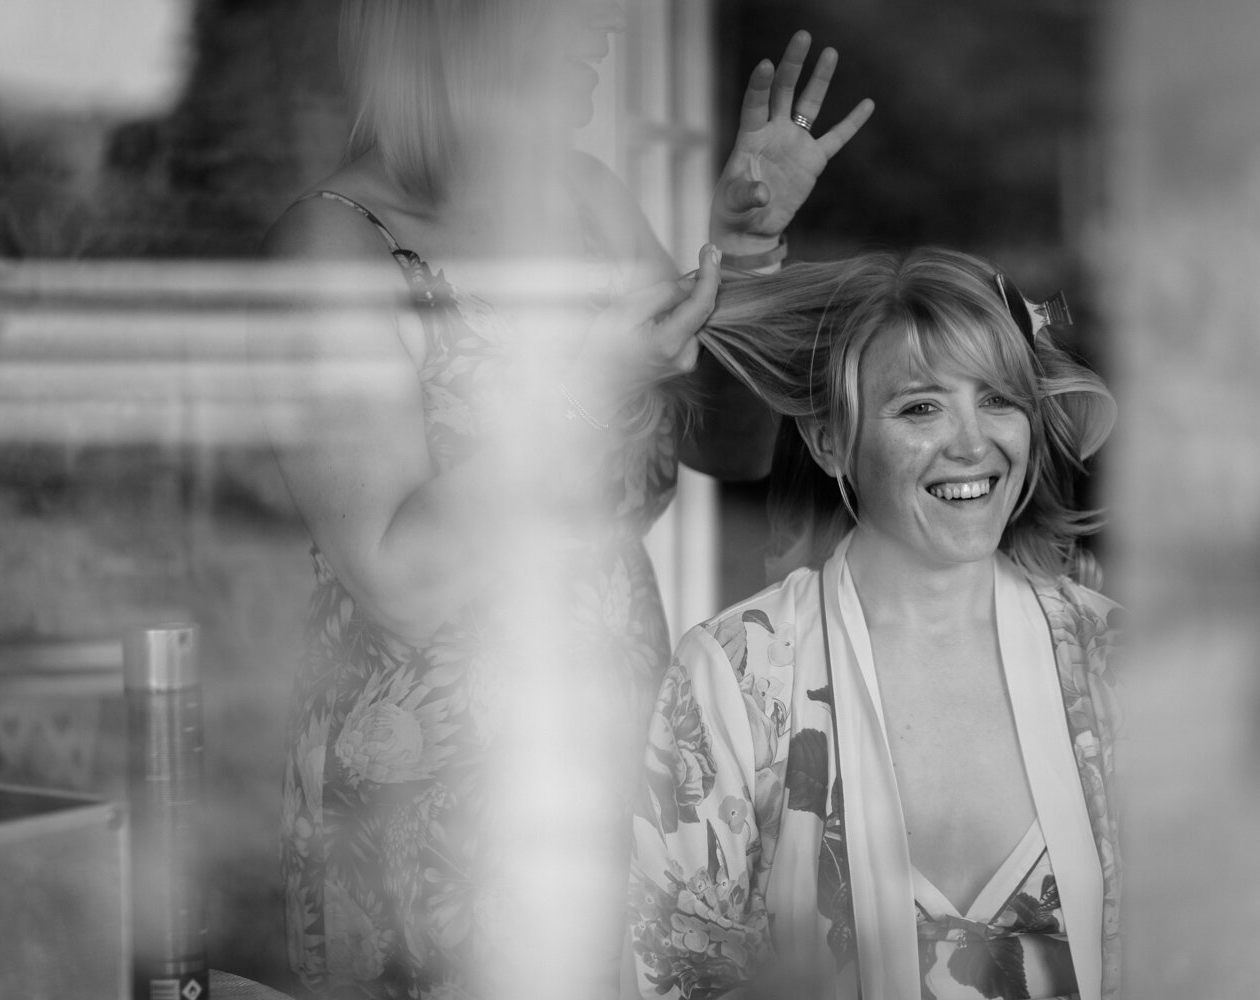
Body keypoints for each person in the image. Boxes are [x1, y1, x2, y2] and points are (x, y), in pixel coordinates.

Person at [255, 2, 873, 997]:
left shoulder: (584, 201)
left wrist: (742, 249)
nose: (604, 31)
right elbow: (399, 578)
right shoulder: (335, 245)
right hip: (439, 811)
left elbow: (728, 441)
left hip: (619, 758)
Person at [626, 248, 1121, 1000]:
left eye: (997, 399)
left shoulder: (1110, 661)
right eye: (921, 406)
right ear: (831, 442)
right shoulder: (735, 675)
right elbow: (665, 975)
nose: (971, 443)